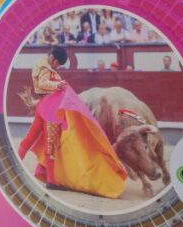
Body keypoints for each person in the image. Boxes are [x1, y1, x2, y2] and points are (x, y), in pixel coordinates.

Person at [17, 47, 126, 197]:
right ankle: (51, 181)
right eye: (57, 64)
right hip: (51, 111)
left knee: (31, 138)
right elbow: (41, 84)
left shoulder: (42, 65)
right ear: (53, 59)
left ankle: (16, 164)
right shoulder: (45, 67)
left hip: (43, 106)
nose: (57, 67)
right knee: (51, 145)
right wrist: (58, 85)